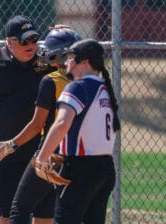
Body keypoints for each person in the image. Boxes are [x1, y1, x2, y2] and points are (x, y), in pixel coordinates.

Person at [0, 15, 55, 224]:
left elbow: (76, 58)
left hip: (41, 148)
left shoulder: (44, 60)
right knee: (7, 214)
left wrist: (64, 35)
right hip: (6, 151)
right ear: (9, 41)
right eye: (24, 41)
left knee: (44, 212)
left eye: (34, 39)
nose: (31, 45)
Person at [0, 28, 82, 224]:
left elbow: (36, 125)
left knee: (19, 208)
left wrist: (10, 145)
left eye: (50, 49)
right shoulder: (89, 82)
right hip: (79, 153)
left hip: (51, 152)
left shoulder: (51, 81)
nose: (44, 52)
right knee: (55, 214)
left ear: (59, 54)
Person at [36, 38, 121, 224]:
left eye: (71, 58)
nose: (67, 62)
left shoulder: (78, 86)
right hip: (105, 168)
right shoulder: (105, 88)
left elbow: (61, 124)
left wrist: (42, 158)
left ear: (85, 62)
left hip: (80, 168)